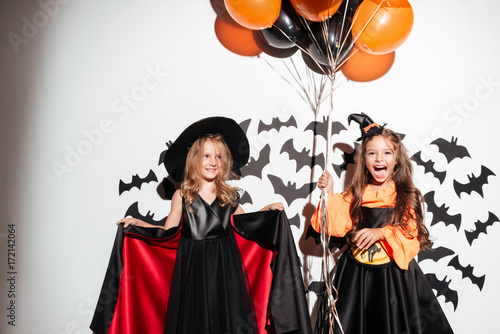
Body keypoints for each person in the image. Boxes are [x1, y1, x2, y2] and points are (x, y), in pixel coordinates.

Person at [90, 116, 312, 334]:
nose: (212, 162)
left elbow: (246, 225)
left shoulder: (229, 196)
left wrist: (267, 211)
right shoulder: (182, 196)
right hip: (192, 270)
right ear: (194, 160)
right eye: (206, 156)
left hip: (225, 272)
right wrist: (138, 223)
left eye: (218, 157)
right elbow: (168, 231)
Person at [311, 113, 454, 334]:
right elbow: (332, 224)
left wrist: (381, 233)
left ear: (396, 159)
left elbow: (411, 231)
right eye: (372, 153)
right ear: (364, 161)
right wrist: (329, 192)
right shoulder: (356, 194)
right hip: (356, 276)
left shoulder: (404, 195)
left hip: (394, 279)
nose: (379, 158)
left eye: (387, 153)